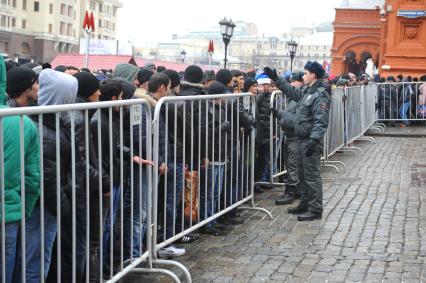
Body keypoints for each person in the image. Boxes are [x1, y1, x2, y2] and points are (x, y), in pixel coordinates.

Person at [14, 69, 77, 283]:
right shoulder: (45, 131)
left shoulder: (49, 122)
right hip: (43, 208)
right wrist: (64, 206)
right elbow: (47, 179)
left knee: (35, 259)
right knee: (36, 262)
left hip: (43, 205)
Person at [266, 61, 330, 221]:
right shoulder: (309, 91)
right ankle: (305, 203)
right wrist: (276, 78)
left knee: (312, 176)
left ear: (313, 75)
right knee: (302, 175)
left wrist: (314, 142)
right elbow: (291, 91)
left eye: (306, 73)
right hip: (302, 139)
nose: (303, 76)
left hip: (309, 142)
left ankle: (315, 209)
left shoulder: (320, 94)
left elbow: (320, 121)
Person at [60, 72, 109, 283]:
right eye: (95, 89)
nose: (100, 93)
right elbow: (81, 161)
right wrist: (102, 180)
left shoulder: (81, 113)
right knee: (82, 242)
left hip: (81, 189)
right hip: (80, 191)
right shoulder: (78, 117)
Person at [0, 82, 40, 283]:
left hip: (10, 208)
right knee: (6, 264)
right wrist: (25, 209)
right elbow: (33, 177)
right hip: (9, 210)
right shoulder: (22, 122)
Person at [199, 81, 232, 236]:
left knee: (216, 191)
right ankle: (206, 221)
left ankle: (212, 219)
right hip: (212, 156)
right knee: (209, 192)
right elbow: (206, 133)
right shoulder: (207, 109)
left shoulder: (221, 108)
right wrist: (222, 128)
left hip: (220, 155)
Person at [275, 71, 304, 206]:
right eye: (290, 81)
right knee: (292, 163)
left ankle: (291, 191)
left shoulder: (301, 96)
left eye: (294, 81)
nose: (291, 84)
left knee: (293, 164)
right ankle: (297, 189)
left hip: (296, 135)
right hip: (292, 135)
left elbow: (295, 118)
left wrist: (282, 115)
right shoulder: (296, 96)